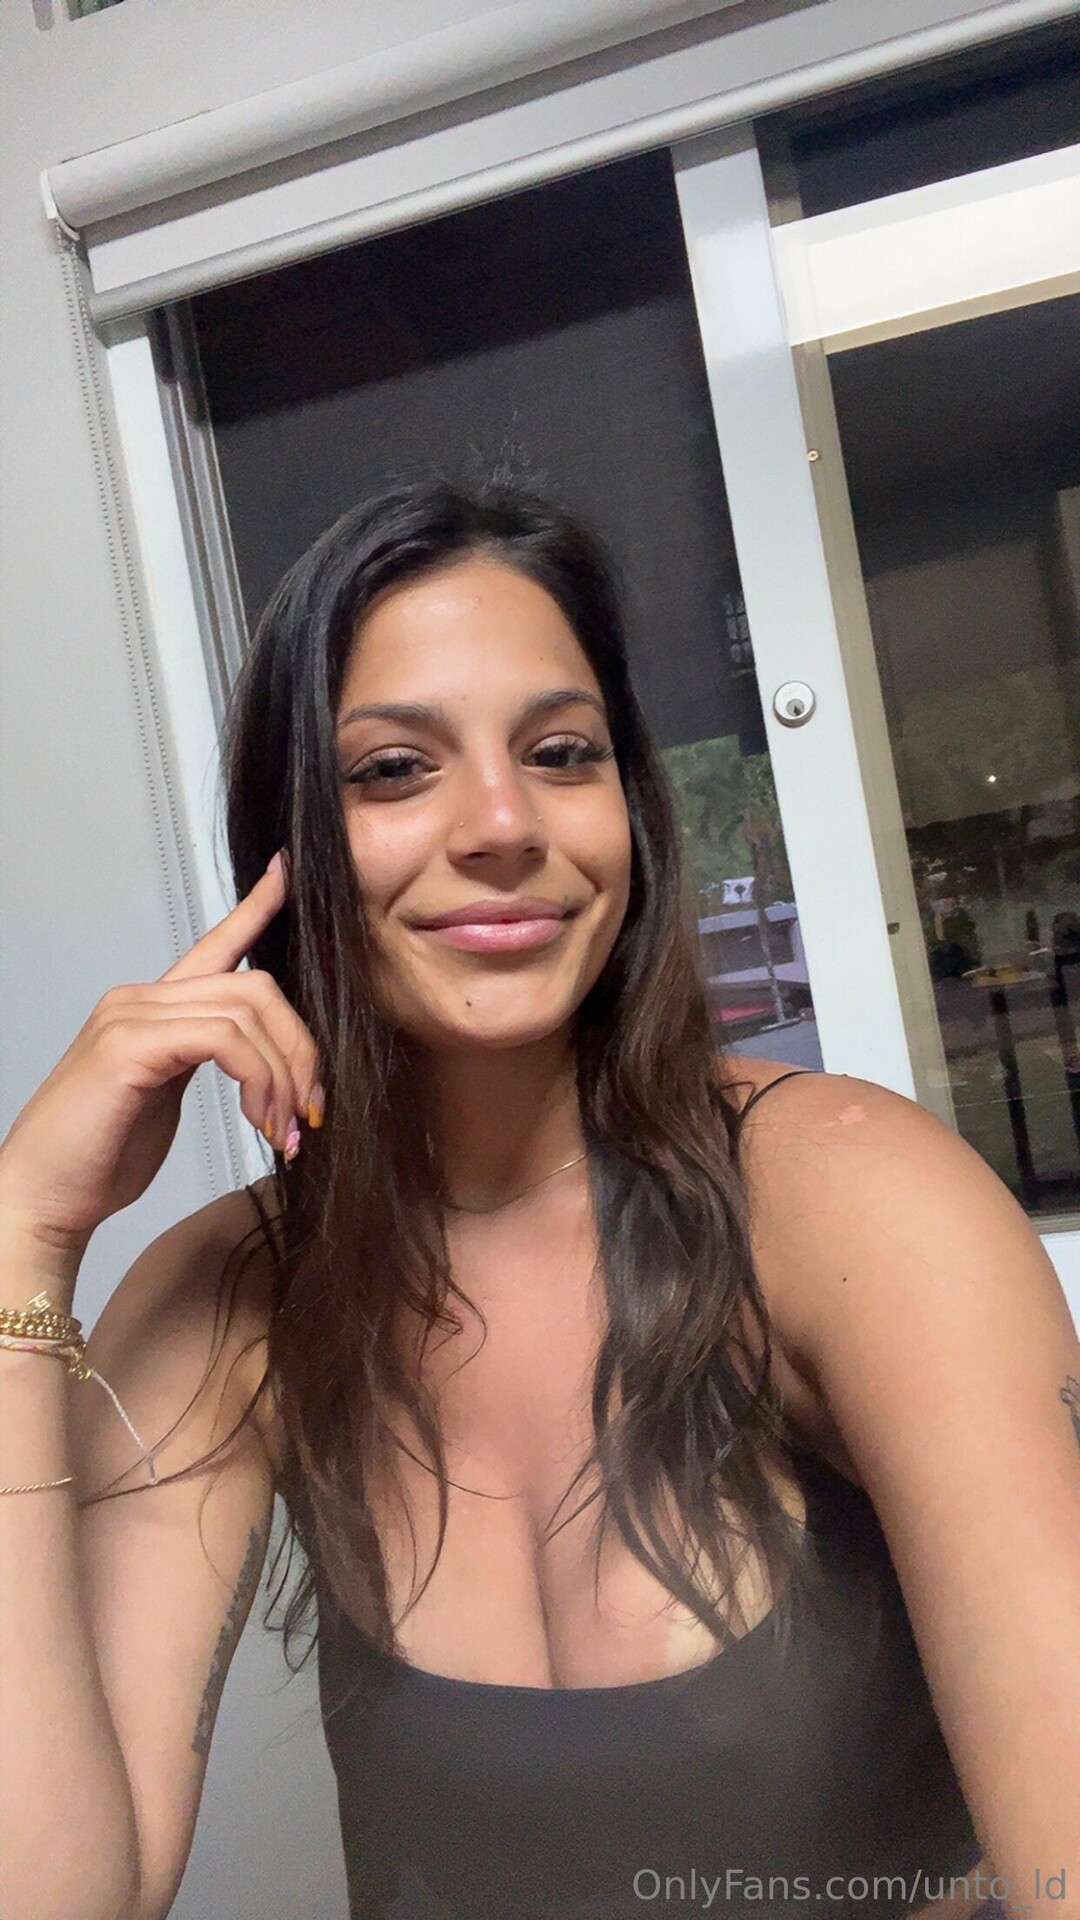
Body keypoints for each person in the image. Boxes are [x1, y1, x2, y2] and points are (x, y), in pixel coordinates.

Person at [0, 477, 1077, 1920]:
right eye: (396, 769)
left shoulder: (852, 1205)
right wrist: (23, 1236)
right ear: (284, 849)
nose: (505, 822)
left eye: (562, 753)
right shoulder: (234, 1299)